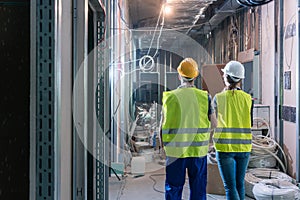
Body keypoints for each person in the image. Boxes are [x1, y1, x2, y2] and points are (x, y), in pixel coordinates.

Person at [159, 58, 217, 200]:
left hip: (175, 152)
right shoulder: (205, 97)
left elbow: (161, 126)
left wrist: (162, 148)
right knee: (198, 189)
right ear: (195, 76)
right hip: (198, 152)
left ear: (179, 75)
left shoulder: (170, 97)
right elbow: (215, 124)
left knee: (173, 188)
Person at [213, 61, 252, 200]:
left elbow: (213, 121)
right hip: (244, 147)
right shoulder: (248, 99)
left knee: (230, 187)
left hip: (225, 147)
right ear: (241, 79)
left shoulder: (218, 98)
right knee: (239, 184)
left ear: (226, 77)